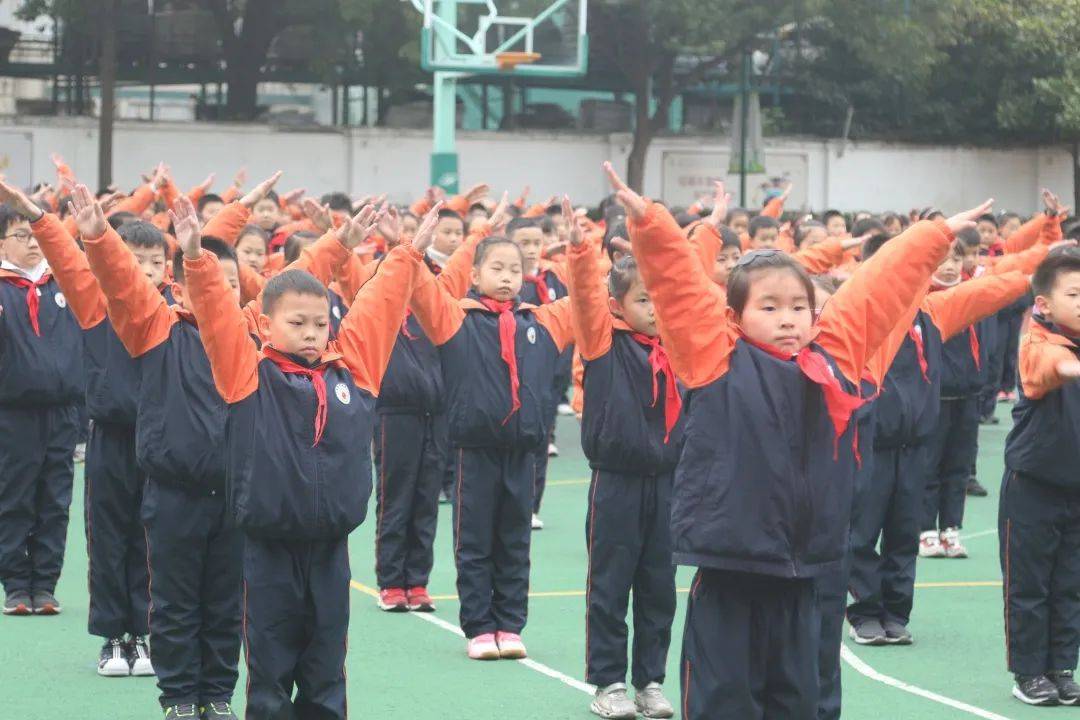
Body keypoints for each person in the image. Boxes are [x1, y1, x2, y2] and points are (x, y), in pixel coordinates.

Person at [603, 160, 985, 718]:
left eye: (800, 307)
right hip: (732, 565)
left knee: (800, 698)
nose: (789, 319)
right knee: (723, 697)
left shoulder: (834, 356)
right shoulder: (715, 357)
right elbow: (681, 290)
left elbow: (878, 289)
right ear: (734, 316)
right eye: (770, 307)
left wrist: (935, 234)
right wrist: (652, 225)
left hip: (809, 568)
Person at [180, 193, 436, 719]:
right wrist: (196, 262)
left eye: (320, 323)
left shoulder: (352, 369)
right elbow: (216, 317)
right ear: (266, 326)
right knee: (270, 665)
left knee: (325, 663)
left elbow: (380, 305)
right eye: (297, 324)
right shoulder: (247, 373)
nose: (312, 334)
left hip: (330, 547)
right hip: (268, 546)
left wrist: (408, 254)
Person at [0, 179, 162, 675]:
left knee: (157, 541)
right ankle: (115, 637)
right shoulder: (95, 304)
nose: (147, 270)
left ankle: (151, 635)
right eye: (134, 259)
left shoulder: (177, 310)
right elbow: (71, 261)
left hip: (163, 443)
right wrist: (45, 220)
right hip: (112, 438)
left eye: (156, 261)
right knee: (110, 540)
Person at [408, 224, 575, 662]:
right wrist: (415, 249)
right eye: (496, 268)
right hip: (474, 450)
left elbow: (590, 301)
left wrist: (579, 250)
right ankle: (480, 627)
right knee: (475, 542)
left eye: (514, 269)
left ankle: (510, 624)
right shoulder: (455, 318)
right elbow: (419, 290)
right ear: (475, 274)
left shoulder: (541, 320)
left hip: (524, 451)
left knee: (515, 541)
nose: (506, 277)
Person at [565, 196, 680, 720]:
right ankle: (608, 682)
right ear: (619, 304)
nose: (655, 308)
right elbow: (586, 297)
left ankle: (650, 680)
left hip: (667, 483)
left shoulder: (681, 348)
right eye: (643, 299)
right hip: (615, 482)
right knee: (609, 585)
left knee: (658, 587)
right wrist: (579, 250)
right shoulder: (604, 344)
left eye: (662, 298)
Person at [372, 199, 505, 613]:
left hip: (438, 412)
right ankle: (391, 581)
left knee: (427, 497)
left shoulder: (442, 298)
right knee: (396, 498)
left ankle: (418, 581)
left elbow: (463, 262)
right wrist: (399, 245)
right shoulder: (382, 301)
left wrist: (483, 231)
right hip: (396, 413)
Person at [1000, 247, 1080, 706]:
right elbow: (1048, 366)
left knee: (1069, 582)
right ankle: (1028, 672)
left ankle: (1062, 667)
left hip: (1075, 488)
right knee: (1029, 585)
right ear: (1045, 304)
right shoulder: (1037, 339)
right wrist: (1070, 367)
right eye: (1073, 293)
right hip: (1032, 485)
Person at [0, 197, 84, 619]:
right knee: (15, 496)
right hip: (13, 412)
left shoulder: (62, 285)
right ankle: (16, 583)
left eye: (37, 235)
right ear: (1, 244)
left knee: (55, 499)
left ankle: (45, 584)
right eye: (20, 235)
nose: (33, 243)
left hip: (62, 411)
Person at [506, 214, 572, 528]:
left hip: (548, 379)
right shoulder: (510, 286)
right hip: (515, 380)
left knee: (540, 442)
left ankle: (532, 505)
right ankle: (511, 504)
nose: (531, 250)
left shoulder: (554, 278)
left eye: (536, 242)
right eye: (524, 243)